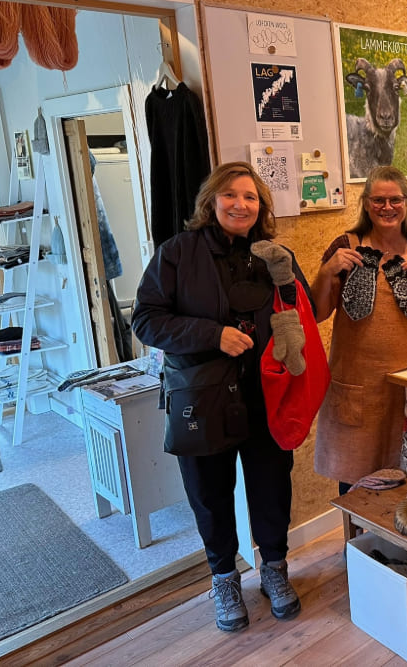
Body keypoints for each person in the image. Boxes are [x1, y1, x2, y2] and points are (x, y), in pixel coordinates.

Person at [132, 162, 311, 633]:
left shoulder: (273, 253)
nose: (240, 204)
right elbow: (146, 320)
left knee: (272, 487)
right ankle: (224, 578)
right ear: (211, 201)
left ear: (261, 206)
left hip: (265, 395)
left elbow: (301, 309)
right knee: (209, 494)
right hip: (202, 397)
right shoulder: (178, 253)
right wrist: (214, 335)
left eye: (251, 197)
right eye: (230, 195)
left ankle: (274, 569)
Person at [312, 165, 407, 493]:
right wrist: (326, 273)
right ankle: (362, 543)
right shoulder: (345, 246)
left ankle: (406, 539)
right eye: (378, 200)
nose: (387, 207)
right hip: (359, 387)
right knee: (355, 476)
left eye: (395, 200)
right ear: (365, 203)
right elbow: (318, 313)